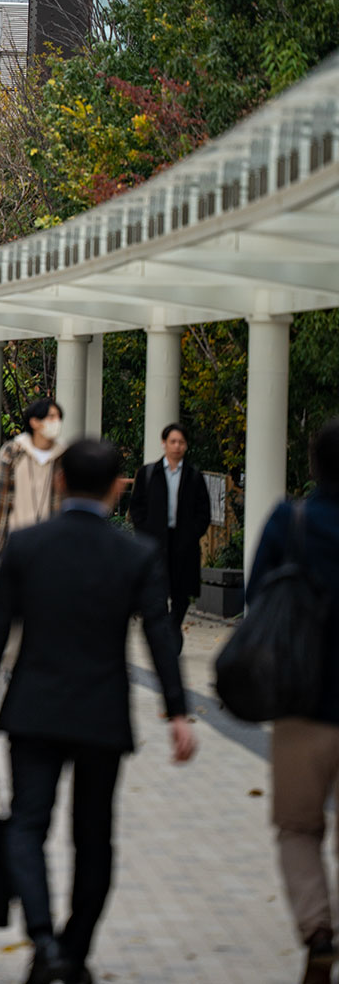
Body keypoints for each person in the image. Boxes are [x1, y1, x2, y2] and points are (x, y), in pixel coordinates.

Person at [0, 438, 196, 984]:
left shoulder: (26, 546)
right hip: (102, 714)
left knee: (26, 827)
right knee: (94, 837)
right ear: (119, 489)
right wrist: (178, 712)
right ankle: (75, 949)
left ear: (61, 482)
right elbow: (161, 635)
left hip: (32, 711)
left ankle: (44, 942)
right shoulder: (136, 554)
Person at [248, 416, 339, 984]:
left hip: (302, 703)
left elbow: (257, 598)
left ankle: (318, 929)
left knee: (298, 828)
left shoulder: (292, 520)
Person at [129, 421, 211, 653]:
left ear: (186, 446)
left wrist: (193, 532)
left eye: (181, 442)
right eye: (172, 441)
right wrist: (144, 532)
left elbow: (203, 512)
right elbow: (136, 508)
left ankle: (173, 628)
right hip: (155, 542)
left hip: (183, 542)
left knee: (181, 593)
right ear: (164, 443)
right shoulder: (148, 474)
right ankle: (167, 633)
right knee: (157, 591)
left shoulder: (194, 476)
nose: (177, 446)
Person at [0, 398, 65, 567]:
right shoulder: (14, 451)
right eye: (51, 417)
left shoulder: (64, 456)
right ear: (35, 422)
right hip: (16, 540)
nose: (57, 422)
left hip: (53, 543)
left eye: (59, 417)